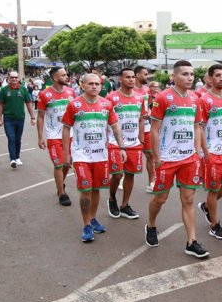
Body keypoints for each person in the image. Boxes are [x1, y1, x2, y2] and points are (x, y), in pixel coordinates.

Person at [144, 60, 209, 259]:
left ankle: (192, 241)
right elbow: (154, 130)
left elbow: (198, 126)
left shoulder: (195, 99)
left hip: (189, 159)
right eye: (185, 74)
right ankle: (151, 225)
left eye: (191, 74)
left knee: (188, 199)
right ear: (174, 77)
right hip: (167, 159)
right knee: (161, 198)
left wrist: (197, 153)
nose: (189, 78)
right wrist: (156, 158)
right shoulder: (163, 98)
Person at [62, 73, 125, 242]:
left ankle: (93, 217)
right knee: (85, 190)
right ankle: (86, 225)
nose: (95, 86)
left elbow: (115, 127)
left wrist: (121, 147)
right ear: (82, 85)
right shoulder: (74, 105)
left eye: (97, 83)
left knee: (96, 189)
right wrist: (67, 154)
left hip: (101, 155)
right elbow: (66, 128)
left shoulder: (106, 104)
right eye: (90, 83)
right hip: (81, 154)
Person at [197, 64, 222, 239]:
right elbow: (200, 127)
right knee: (213, 189)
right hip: (212, 153)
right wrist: (205, 152)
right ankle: (214, 225)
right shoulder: (204, 100)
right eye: (218, 75)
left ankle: (206, 206)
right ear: (210, 78)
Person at [105, 67, 146, 220]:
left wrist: (141, 136)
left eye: (132, 77)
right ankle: (111, 198)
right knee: (117, 174)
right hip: (115, 142)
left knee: (130, 174)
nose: (131, 79)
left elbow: (142, 118)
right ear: (120, 79)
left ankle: (125, 205)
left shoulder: (140, 97)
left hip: (134, 143)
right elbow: (105, 120)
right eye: (127, 77)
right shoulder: (111, 98)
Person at [37, 67, 76, 206]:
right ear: (55, 78)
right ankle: (61, 193)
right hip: (54, 136)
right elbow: (40, 116)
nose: (67, 77)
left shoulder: (71, 92)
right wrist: (40, 137)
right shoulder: (44, 94)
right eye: (64, 75)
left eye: (67, 74)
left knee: (67, 163)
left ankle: (61, 183)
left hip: (70, 135)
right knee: (58, 164)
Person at [0, 71, 36, 169]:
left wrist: (32, 117)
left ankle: (17, 157)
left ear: (18, 78)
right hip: (8, 119)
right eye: (12, 77)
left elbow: (28, 103)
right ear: (8, 78)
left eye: (16, 77)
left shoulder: (23, 90)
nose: (14, 79)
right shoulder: (4, 90)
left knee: (18, 139)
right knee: (11, 139)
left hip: (20, 119)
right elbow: (0, 104)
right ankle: (12, 159)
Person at [143, 81, 161, 193]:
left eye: (157, 86)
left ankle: (151, 182)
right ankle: (121, 179)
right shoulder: (145, 94)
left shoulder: (157, 96)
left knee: (150, 155)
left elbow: (149, 108)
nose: (156, 88)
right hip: (131, 130)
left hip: (146, 127)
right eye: (153, 86)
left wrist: (149, 113)